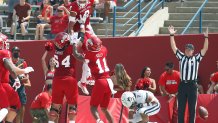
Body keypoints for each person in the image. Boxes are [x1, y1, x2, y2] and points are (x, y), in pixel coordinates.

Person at [72, 33, 116, 123]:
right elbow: (97, 47)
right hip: (109, 81)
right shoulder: (104, 49)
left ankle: (99, 121)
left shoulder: (89, 54)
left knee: (93, 107)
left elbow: (76, 55)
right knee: (104, 108)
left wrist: (74, 44)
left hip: (101, 81)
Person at [168, 25, 208, 123]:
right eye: (186, 49)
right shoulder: (181, 57)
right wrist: (172, 35)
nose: (187, 50)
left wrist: (206, 37)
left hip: (192, 85)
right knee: (180, 108)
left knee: (192, 109)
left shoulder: (196, 58)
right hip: (182, 85)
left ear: (193, 51)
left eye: (189, 49)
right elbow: (174, 47)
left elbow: (205, 49)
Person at [0, 33, 34, 123]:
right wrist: (23, 72)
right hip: (2, 83)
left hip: (4, 83)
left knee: (15, 104)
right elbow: (12, 68)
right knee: (6, 107)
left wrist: (19, 76)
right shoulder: (3, 52)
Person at [48, 32, 78, 123]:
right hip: (69, 78)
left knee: (55, 107)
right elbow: (76, 50)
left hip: (57, 79)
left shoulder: (54, 49)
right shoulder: (71, 48)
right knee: (72, 106)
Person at [9, 46, 31, 123]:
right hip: (11, 86)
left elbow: (26, 75)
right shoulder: (9, 62)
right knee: (10, 107)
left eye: (18, 51)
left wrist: (26, 79)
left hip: (20, 86)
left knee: (22, 106)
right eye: (15, 51)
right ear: (12, 52)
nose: (16, 53)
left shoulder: (23, 62)